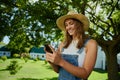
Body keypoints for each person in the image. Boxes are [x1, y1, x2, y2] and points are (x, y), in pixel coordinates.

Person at [45, 11, 98, 80]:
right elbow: (58, 70)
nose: (68, 27)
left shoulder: (91, 44)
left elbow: (85, 74)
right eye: (66, 25)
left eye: (71, 23)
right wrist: (52, 61)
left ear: (79, 24)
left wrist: (61, 61)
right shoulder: (62, 45)